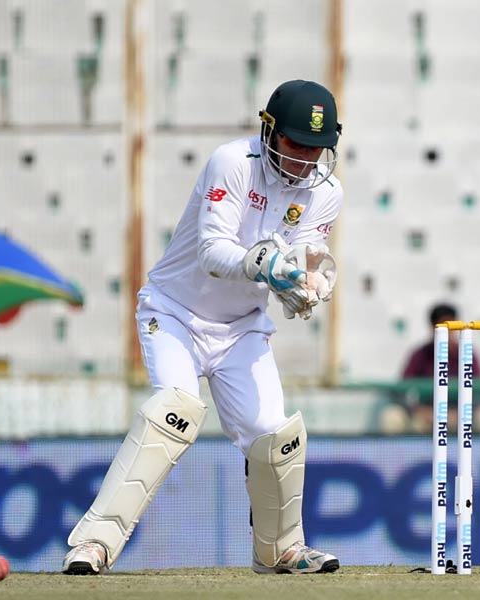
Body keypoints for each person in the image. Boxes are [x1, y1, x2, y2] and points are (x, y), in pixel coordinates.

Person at [62, 80, 344, 575]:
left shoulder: (326, 192)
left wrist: (303, 284)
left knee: (273, 435)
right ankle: (93, 544)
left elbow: (296, 257)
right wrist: (273, 267)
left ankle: (281, 550)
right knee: (174, 411)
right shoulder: (233, 162)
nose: (304, 159)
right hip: (175, 312)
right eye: (296, 143)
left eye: (316, 149)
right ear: (270, 131)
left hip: (241, 328)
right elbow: (215, 252)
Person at [391, 302, 480, 433]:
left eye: (451, 326)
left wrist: (461, 413)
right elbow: (401, 389)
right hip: (427, 415)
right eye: (443, 327)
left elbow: (478, 392)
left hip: (462, 414)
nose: (449, 332)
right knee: (409, 421)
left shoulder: (468, 354)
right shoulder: (419, 355)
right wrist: (421, 411)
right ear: (432, 327)